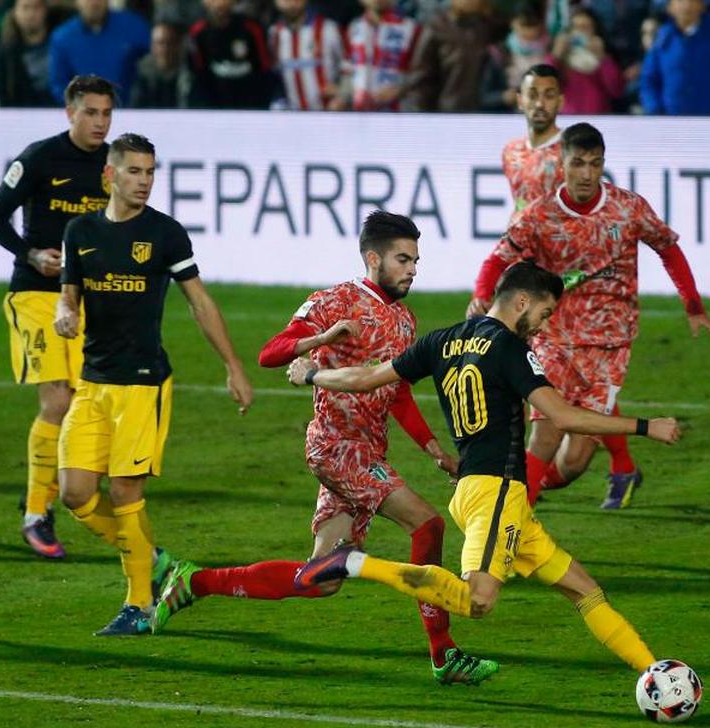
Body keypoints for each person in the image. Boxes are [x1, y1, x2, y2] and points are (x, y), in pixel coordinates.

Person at [152, 211, 497, 686]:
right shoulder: (334, 301)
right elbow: (271, 353)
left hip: (368, 452)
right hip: (336, 448)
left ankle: (193, 581)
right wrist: (322, 337)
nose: (413, 269)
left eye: (416, 260)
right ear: (373, 258)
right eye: (403, 259)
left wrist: (434, 448)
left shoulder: (404, 319)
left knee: (322, 580)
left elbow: (396, 392)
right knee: (428, 523)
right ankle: (444, 652)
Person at [288, 261, 680, 676]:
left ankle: (654, 671)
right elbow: (562, 417)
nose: (543, 326)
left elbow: (367, 378)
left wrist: (315, 374)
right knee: (478, 600)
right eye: (544, 314)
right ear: (522, 301)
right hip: (496, 493)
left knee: (586, 592)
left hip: (483, 493)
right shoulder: (510, 348)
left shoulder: (441, 340)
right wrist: (645, 426)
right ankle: (353, 562)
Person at [55, 132, 254, 635]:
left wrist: (232, 364)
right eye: (134, 172)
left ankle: (139, 603)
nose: (144, 181)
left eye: (150, 172)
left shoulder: (165, 234)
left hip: (143, 384)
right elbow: (69, 295)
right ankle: (159, 561)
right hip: (93, 382)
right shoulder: (80, 231)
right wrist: (64, 312)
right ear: (110, 175)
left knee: (125, 492)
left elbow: (199, 302)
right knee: (75, 493)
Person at [468, 123, 710, 510]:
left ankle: (531, 491)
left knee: (573, 462)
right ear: (562, 163)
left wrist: (693, 305)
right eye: (578, 163)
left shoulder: (628, 208)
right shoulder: (540, 216)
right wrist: (481, 294)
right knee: (547, 435)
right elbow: (498, 258)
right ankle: (510, 529)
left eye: (595, 164)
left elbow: (667, 248)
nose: (586, 173)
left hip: (610, 345)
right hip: (553, 337)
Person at [0, 74, 115, 559]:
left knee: (86, 401)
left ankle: (52, 486)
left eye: (106, 114)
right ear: (70, 112)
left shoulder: (113, 164)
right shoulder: (38, 158)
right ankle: (37, 513)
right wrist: (31, 255)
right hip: (36, 294)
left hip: (85, 300)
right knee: (57, 400)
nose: (99, 122)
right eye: (91, 113)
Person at [639, 0, 710, 116]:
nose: (687, 6)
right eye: (680, 1)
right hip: (672, 123)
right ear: (669, 8)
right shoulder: (662, 40)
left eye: (693, 1)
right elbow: (648, 81)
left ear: (702, 6)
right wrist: (654, 110)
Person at [47, 0, 150, 106]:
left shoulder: (135, 26)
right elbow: (59, 85)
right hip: (83, 115)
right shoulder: (61, 38)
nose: (94, 3)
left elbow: (154, 69)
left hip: (132, 114)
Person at [500, 63, 563, 227]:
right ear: (520, 100)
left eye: (548, 96)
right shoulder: (511, 151)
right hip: (520, 247)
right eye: (533, 95)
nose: (540, 104)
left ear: (560, 101)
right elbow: (521, 202)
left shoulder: (573, 151)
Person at [186, 0, 276, 109]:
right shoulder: (198, 32)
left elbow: (265, 70)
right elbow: (198, 74)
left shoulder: (252, 28)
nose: (219, 3)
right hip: (215, 105)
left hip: (251, 104)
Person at [268, 0, 345, 111]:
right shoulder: (274, 34)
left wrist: (343, 93)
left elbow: (349, 66)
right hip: (290, 117)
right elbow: (274, 77)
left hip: (328, 114)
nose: (291, 2)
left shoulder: (329, 29)